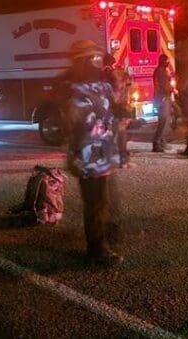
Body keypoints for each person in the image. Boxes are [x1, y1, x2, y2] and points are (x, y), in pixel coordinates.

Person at [60, 40, 123, 266]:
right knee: (95, 203)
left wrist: (115, 79)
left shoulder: (101, 85)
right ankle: (96, 250)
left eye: (99, 58)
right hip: (88, 157)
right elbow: (78, 124)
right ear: (83, 61)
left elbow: (114, 101)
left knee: (104, 201)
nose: (99, 63)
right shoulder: (75, 90)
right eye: (94, 59)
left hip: (104, 156)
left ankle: (104, 239)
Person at [102, 53, 134, 167]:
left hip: (110, 108)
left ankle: (117, 159)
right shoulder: (111, 73)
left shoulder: (103, 72)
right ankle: (121, 159)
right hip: (115, 108)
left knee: (115, 134)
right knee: (120, 134)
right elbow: (121, 85)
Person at [151, 53, 173, 152]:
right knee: (163, 121)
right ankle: (156, 143)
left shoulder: (163, 70)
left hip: (164, 97)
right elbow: (161, 85)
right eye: (166, 61)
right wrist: (173, 90)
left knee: (166, 121)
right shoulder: (160, 71)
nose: (168, 63)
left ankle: (162, 141)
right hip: (163, 98)